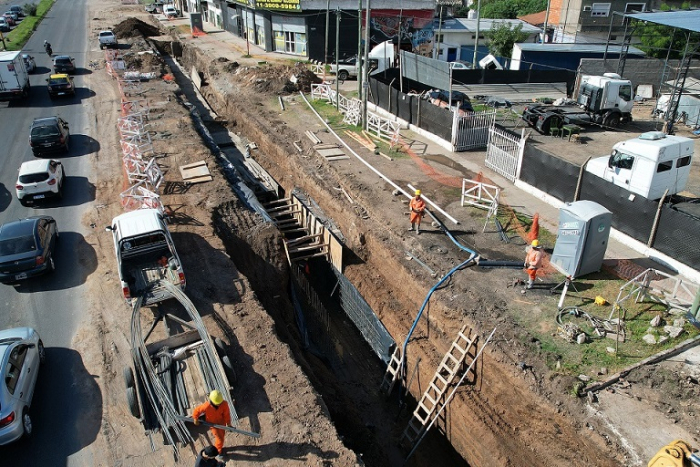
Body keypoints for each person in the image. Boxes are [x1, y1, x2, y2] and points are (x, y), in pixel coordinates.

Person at [192, 390, 231, 459]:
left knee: (222, 435)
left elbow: (227, 415)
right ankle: (217, 452)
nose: (219, 404)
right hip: (213, 425)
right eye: (218, 403)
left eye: (220, 403)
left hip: (222, 423)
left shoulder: (224, 404)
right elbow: (197, 410)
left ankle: (218, 448)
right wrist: (195, 418)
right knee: (220, 440)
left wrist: (228, 424)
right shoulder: (206, 406)